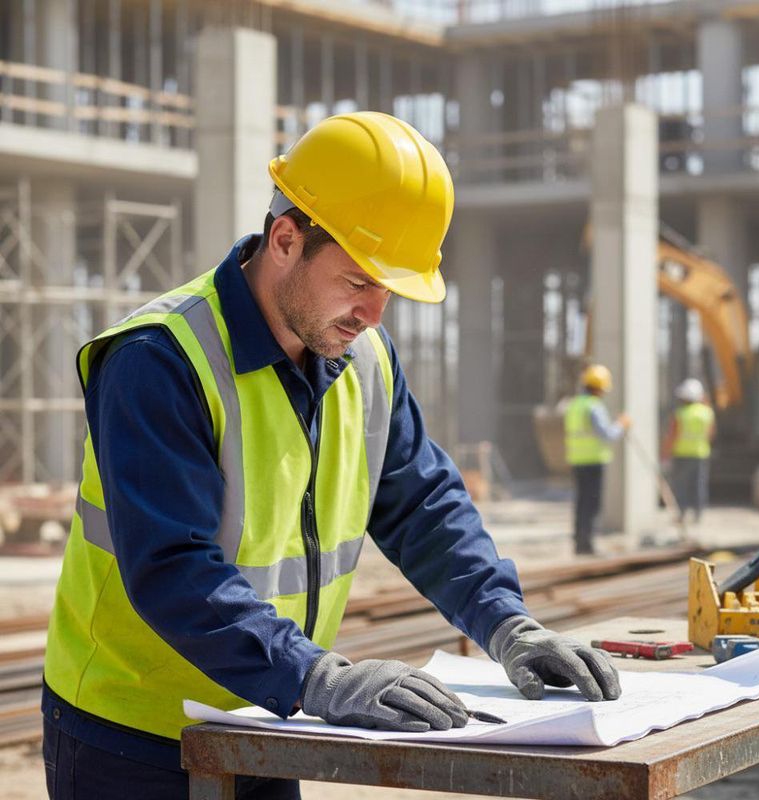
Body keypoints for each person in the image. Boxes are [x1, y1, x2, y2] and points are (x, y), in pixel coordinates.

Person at [42, 112, 621, 800]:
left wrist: (506, 623)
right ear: (285, 239)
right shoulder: (158, 360)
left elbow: (423, 506)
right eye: (358, 282)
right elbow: (172, 567)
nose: (375, 314)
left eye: (390, 291)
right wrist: (318, 677)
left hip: (269, 720)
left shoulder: (361, 358)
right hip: (132, 740)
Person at [564, 364, 630, 555]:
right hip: (593, 461)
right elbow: (607, 434)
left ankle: (579, 542)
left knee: (581, 503)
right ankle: (587, 544)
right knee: (592, 504)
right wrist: (622, 424)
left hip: (577, 460)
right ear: (600, 387)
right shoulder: (594, 406)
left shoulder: (575, 404)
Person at [662, 378, 715, 523]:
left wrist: (665, 455)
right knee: (698, 485)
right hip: (700, 454)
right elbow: (710, 434)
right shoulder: (707, 413)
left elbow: (672, 436)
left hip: (682, 454)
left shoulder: (680, 414)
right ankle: (698, 514)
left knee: (681, 486)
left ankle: (682, 513)